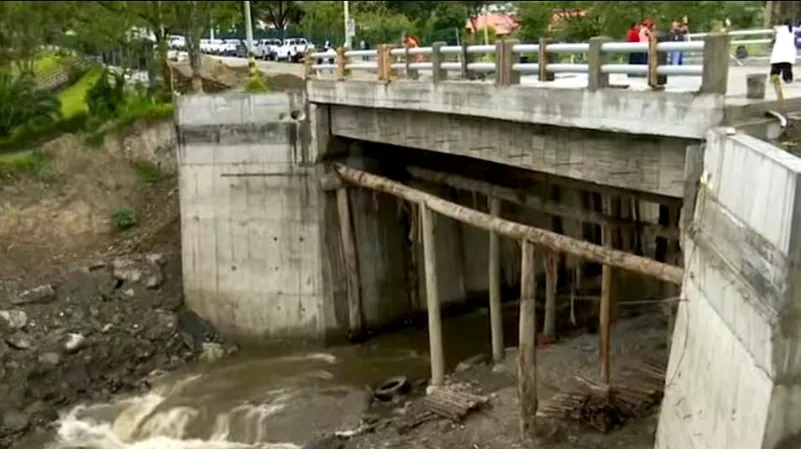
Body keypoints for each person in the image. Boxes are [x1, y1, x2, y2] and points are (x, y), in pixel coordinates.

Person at [770, 19, 796, 83]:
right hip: (788, 51)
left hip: (778, 50)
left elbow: (774, 28)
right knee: (787, 66)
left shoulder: (779, 29)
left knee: (776, 66)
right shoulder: (793, 29)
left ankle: (774, 78)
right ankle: (788, 78)